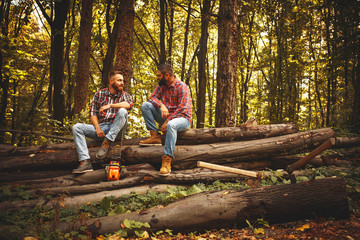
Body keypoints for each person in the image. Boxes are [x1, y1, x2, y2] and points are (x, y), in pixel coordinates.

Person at [72, 71, 133, 174]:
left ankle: (107, 142)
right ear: (111, 81)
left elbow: (128, 105)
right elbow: (92, 113)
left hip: (117, 130)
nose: (122, 83)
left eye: (122, 80)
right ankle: (85, 162)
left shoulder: (125, 95)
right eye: (119, 80)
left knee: (123, 111)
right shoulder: (99, 94)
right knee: (77, 127)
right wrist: (97, 128)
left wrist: (110, 105)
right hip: (102, 128)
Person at [140, 63, 192, 176]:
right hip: (168, 117)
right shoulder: (162, 85)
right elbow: (152, 98)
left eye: (159, 75)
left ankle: (167, 160)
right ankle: (155, 136)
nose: (157, 77)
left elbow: (183, 109)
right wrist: (161, 105)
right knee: (145, 105)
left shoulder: (182, 86)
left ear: (167, 75)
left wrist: (168, 121)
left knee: (171, 125)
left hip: (182, 119)